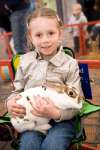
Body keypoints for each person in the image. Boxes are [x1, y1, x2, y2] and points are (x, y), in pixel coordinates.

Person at [6, 7, 82, 150]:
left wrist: (56, 113)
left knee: (53, 145)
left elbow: (76, 101)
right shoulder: (24, 61)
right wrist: (10, 102)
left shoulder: (70, 64)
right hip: (33, 119)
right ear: (30, 37)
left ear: (60, 33)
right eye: (39, 35)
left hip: (62, 120)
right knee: (29, 144)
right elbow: (17, 91)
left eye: (51, 33)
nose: (45, 40)